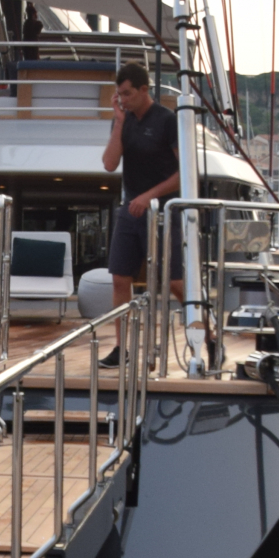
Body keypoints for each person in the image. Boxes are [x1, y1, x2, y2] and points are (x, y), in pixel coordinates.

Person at [99, 61, 181, 365]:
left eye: (127, 94)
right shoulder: (123, 119)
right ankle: (123, 347)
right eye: (119, 95)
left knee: (173, 280)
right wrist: (119, 121)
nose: (123, 99)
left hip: (162, 209)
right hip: (130, 208)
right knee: (120, 276)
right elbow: (109, 164)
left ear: (144, 89)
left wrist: (149, 197)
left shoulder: (166, 120)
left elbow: (184, 173)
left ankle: (208, 334)